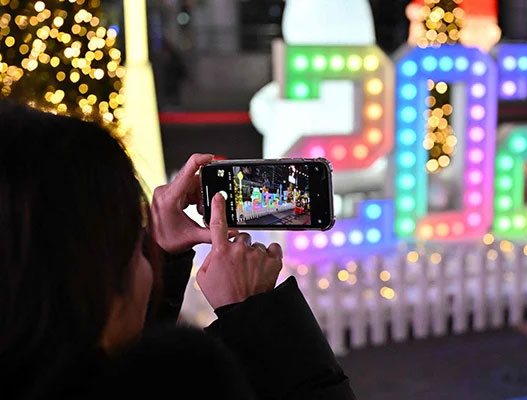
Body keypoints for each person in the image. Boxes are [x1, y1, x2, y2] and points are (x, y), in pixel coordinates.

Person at [0, 101, 355, 400]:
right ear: (86, 286)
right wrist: (253, 315)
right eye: (130, 247)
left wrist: (161, 250)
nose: (144, 261)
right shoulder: (190, 381)